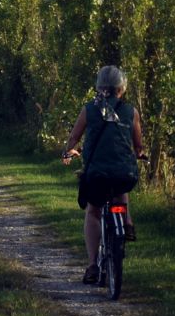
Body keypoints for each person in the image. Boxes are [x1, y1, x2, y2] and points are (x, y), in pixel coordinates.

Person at [60, 65, 145, 284]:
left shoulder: (89, 109)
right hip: (125, 173)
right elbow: (138, 146)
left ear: (99, 87)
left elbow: (74, 139)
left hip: (97, 174)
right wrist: (140, 155)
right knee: (120, 188)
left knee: (93, 211)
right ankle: (125, 220)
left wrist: (70, 151)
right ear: (122, 88)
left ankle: (92, 265)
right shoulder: (132, 111)